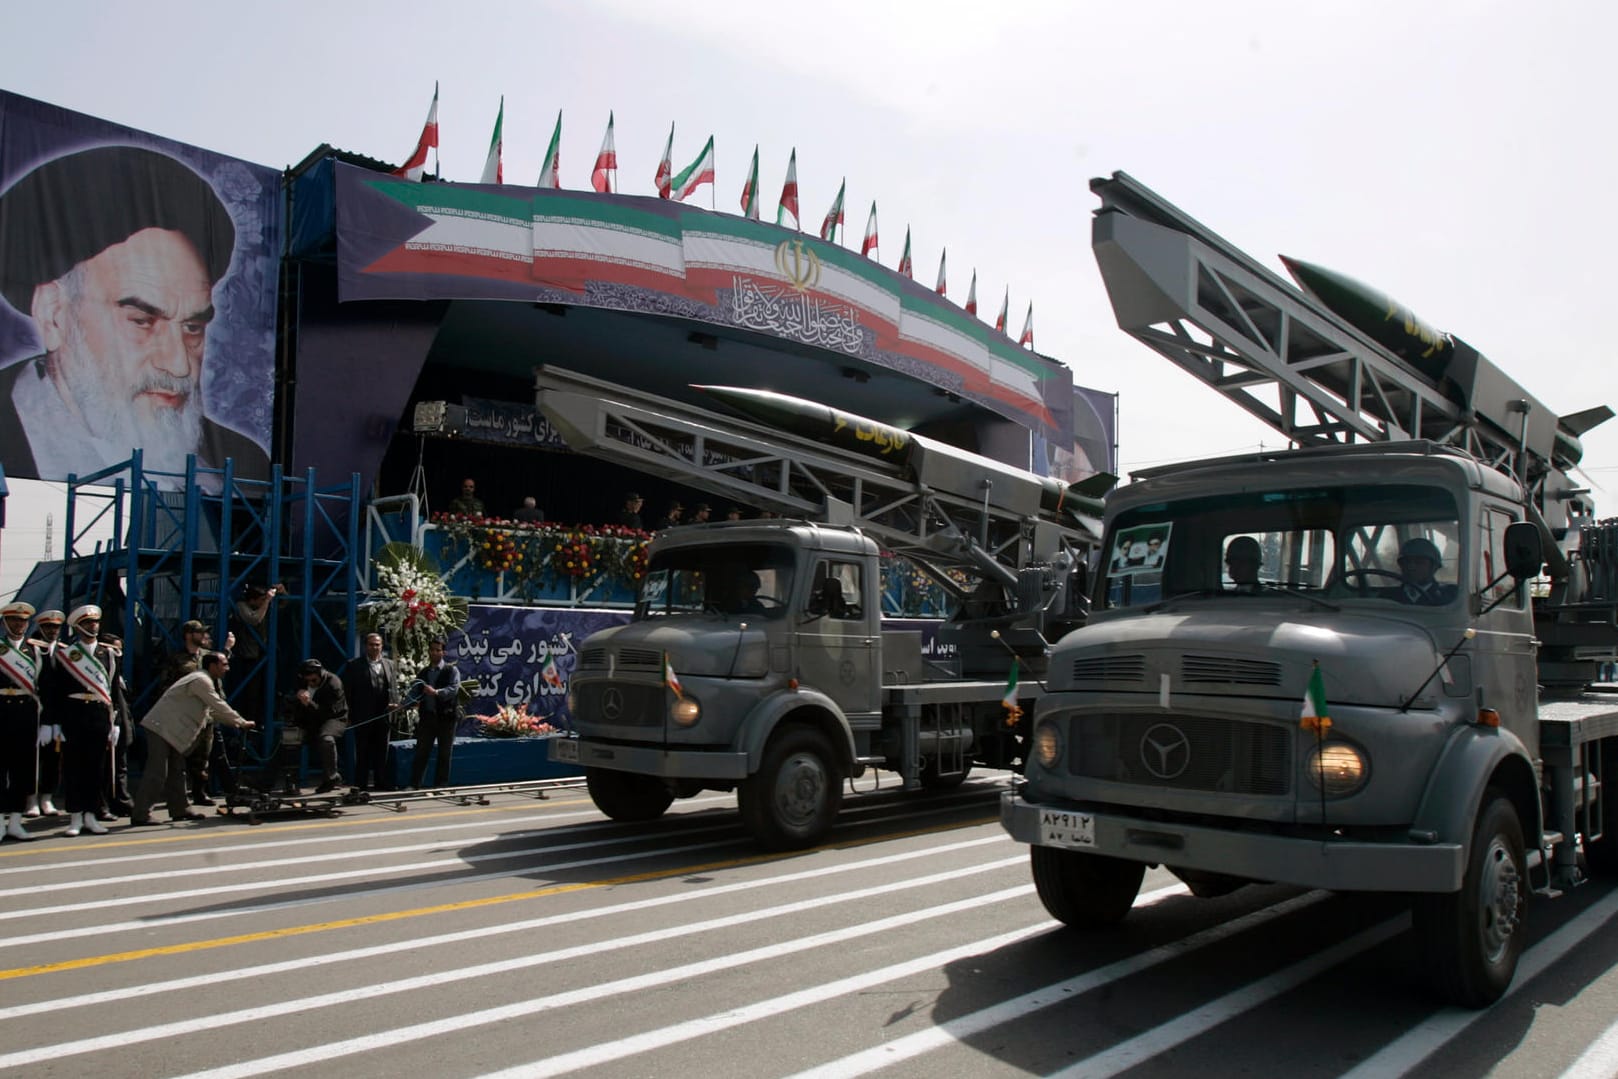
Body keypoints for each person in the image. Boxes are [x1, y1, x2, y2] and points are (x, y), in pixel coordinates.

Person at [0, 146, 268, 486]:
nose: (179, 365)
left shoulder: (241, 465)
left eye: (193, 327)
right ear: (54, 315)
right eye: (143, 321)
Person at [129, 652, 255, 826]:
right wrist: (240, 721)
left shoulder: (204, 680)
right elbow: (217, 704)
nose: (227, 668)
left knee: (177, 770)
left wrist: (236, 723)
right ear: (212, 666)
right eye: (224, 664)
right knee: (157, 772)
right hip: (162, 728)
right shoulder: (201, 680)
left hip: (172, 731)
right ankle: (141, 814)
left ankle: (180, 809)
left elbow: (212, 712)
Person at [41, 605, 125, 836]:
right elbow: (53, 691)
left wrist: (115, 721)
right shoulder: (64, 655)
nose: (93, 626)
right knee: (74, 768)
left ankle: (91, 815)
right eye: (87, 623)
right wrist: (52, 722)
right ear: (77, 627)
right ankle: (75, 817)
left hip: (99, 714)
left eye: (95, 623)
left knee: (96, 769)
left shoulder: (108, 654)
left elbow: (114, 689)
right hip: (74, 714)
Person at [0, 601, 44, 841]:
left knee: (22, 768)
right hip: (1, 712)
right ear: (5, 622)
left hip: (25, 714)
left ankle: (16, 820)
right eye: (14, 620)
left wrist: (49, 721)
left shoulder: (35, 651)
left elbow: (45, 688)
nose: (19, 625)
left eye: (23, 621)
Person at [342, 632, 401, 791]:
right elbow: (347, 692)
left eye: (377, 644)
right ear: (365, 646)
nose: (374, 647)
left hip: (384, 715)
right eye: (371, 644)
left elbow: (393, 687)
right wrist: (347, 715)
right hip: (363, 716)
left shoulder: (389, 664)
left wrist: (395, 704)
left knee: (382, 750)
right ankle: (360, 784)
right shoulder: (354, 665)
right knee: (363, 750)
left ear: (382, 646)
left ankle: (380, 782)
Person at [284, 658, 349, 793]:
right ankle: (272, 782)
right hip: (310, 719)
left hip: (333, 719)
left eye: (313, 681)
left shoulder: (333, 683)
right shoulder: (302, 681)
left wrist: (309, 703)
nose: (310, 683)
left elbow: (328, 713)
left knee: (326, 740)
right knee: (288, 738)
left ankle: (331, 778)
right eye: (307, 681)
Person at [24, 609, 64, 818]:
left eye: (56, 627)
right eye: (48, 627)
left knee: (52, 759)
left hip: (57, 715)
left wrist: (57, 720)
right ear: (40, 628)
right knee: (30, 758)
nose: (52, 631)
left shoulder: (65, 651)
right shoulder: (30, 650)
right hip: (34, 712)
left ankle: (47, 797)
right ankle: (30, 798)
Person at [411, 637, 462, 790]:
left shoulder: (451, 670)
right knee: (421, 752)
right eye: (432, 650)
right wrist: (401, 705)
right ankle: (415, 785)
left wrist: (437, 692)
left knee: (444, 754)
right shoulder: (423, 673)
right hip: (427, 718)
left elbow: (453, 689)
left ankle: (441, 786)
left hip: (446, 718)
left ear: (443, 652)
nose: (434, 652)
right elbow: (414, 692)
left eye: (438, 650)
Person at [1388, 537, 1458, 606]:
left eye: (1419, 562)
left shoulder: (1451, 598)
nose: (1411, 567)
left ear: (1434, 567)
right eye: (1406, 562)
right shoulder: (1387, 597)